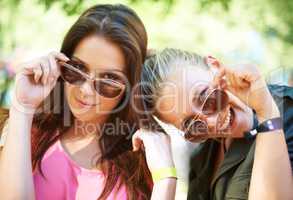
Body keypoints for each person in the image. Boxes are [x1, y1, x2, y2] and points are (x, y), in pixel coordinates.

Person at [0, 4, 176, 200]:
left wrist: (166, 180)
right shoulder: (24, 130)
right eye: (76, 69)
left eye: (108, 80)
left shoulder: (146, 156)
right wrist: (23, 108)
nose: (85, 90)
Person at [136, 48, 293, 199]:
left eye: (206, 98)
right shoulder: (201, 160)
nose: (212, 122)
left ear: (215, 67)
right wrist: (165, 178)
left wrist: (267, 114)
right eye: (192, 126)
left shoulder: (288, 112)